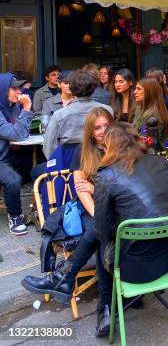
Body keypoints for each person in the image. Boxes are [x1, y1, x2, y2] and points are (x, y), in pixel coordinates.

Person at [22, 108, 114, 331]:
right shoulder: (82, 152)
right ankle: (105, 308)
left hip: (114, 207)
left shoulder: (120, 147)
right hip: (88, 208)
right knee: (99, 231)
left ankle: (63, 277)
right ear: (90, 132)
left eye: (106, 126)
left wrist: (96, 189)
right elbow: (81, 190)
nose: (102, 132)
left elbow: (123, 186)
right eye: (97, 128)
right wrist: (96, 213)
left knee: (99, 232)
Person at [94, 122, 168, 336]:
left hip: (138, 270)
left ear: (108, 146)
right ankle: (124, 302)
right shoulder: (160, 162)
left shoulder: (106, 176)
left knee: (100, 244)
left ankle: (106, 308)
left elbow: (103, 232)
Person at [43, 71, 113, 160]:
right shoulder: (107, 110)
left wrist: (57, 168)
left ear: (71, 88)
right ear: (94, 88)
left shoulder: (59, 115)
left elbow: (48, 147)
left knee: (34, 172)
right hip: (101, 163)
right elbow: (112, 140)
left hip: (68, 167)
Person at [0, 73, 33, 235]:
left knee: (33, 168)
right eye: (13, 88)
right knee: (13, 180)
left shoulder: (13, 106)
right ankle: (15, 216)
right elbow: (18, 133)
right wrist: (27, 109)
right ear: (2, 91)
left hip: (7, 155)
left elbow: (22, 131)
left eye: (19, 87)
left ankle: (40, 207)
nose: (19, 91)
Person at [133, 77, 168, 151]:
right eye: (135, 88)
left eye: (139, 89)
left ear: (149, 92)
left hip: (156, 156)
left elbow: (149, 144)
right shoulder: (140, 108)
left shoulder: (152, 116)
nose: (135, 92)